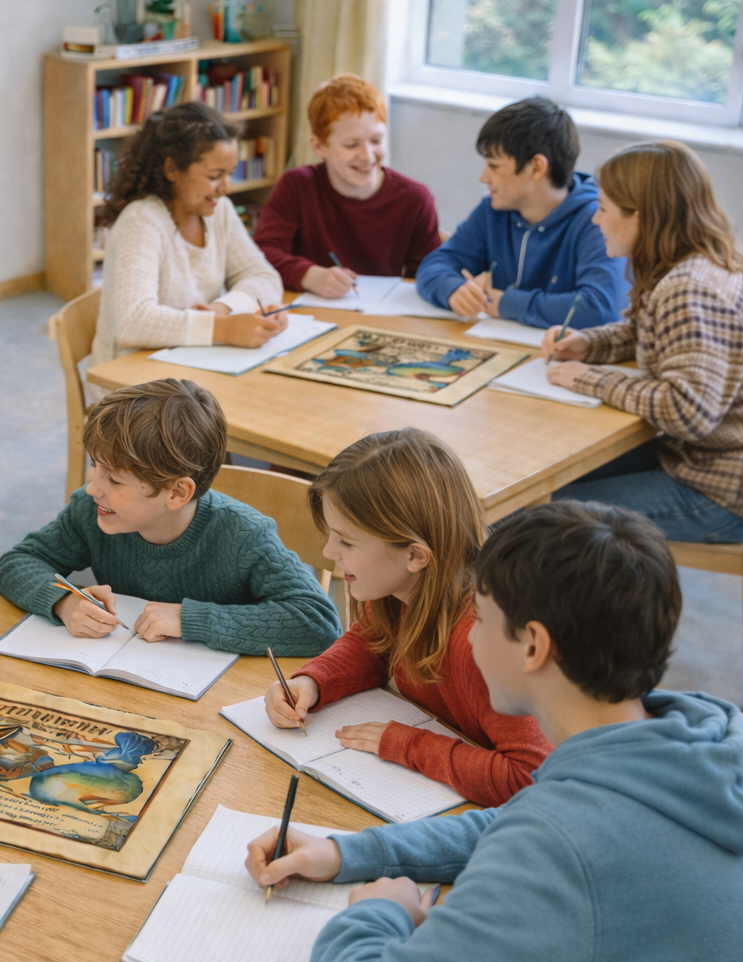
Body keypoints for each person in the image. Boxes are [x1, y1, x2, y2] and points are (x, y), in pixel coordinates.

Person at [247, 501, 743, 962]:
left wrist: (379, 910)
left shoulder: (562, 849)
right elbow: (518, 819)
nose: (470, 634)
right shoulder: (700, 741)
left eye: (482, 617)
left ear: (533, 647)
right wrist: (346, 854)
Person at [263, 429, 551, 807]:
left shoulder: (484, 641)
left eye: (346, 541)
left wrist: (408, 744)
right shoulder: (399, 591)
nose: (328, 551)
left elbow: (529, 777)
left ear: (415, 556)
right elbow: (371, 644)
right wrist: (313, 682)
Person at [0, 379, 341, 657]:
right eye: (94, 464)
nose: (92, 488)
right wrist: (62, 601)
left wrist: (191, 619)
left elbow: (319, 622)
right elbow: (16, 562)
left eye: (114, 479)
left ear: (177, 493)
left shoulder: (244, 536)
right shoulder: (91, 511)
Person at [544, 140, 743, 543]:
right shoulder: (683, 266)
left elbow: (687, 410)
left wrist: (586, 378)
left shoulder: (692, 290)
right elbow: (643, 333)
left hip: (717, 491)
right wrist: (588, 344)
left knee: (540, 517)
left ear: (640, 217)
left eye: (604, 208)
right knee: (548, 480)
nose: (595, 219)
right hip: (689, 459)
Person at [90, 101, 287, 402]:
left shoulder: (219, 212)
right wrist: (224, 329)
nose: (226, 186)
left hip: (190, 371)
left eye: (230, 173)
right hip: (132, 394)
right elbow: (134, 322)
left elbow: (263, 275)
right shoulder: (141, 222)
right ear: (172, 169)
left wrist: (224, 308)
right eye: (214, 175)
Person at [415, 96, 629, 328]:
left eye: (494, 166)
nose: (483, 177)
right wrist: (452, 289)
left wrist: (509, 303)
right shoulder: (493, 211)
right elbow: (436, 263)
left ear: (537, 167)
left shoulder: (596, 220)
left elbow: (600, 308)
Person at [253, 75, 441, 297]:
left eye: (376, 140)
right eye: (351, 145)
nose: (367, 156)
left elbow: (429, 275)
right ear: (319, 146)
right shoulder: (298, 186)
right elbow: (261, 253)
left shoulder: (415, 199)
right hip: (312, 310)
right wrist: (309, 275)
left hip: (381, 313)